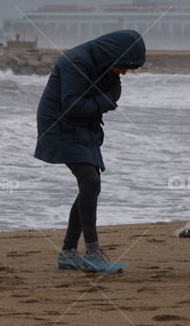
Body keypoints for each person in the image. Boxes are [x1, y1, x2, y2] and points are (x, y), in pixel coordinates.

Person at [34, 30, 145, 274]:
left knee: (90, 184)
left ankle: (68, 252)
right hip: (59, 126)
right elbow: (73, 106)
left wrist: (106, 99)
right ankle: (92, 252)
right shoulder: (77, 61)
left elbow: (111, 92)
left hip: (85, 128)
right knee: (90, 181)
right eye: (124, 67)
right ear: (114, 56)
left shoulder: (106, 62)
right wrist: (106, 101)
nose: (124, 73)